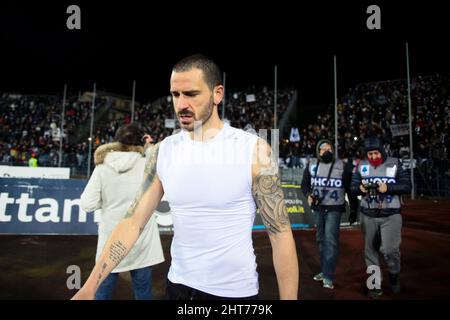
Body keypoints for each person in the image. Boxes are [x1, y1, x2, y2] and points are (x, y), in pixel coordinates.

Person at [73, 54, 299, 300]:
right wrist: (89, 287)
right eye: (175, 94)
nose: (181, 104)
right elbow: (133, 222)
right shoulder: (162, 151)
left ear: (217, 94)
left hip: (233, 294)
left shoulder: (253, 150)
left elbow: (279, 233)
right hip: (177, 286)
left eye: (191, 94)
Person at [80, 124, 164, 300]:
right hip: (141, 241)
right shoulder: (148, 164)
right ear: (141, 140)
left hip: (110, 242)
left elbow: (88, 204)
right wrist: (149, 146)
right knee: (143, 293)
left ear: (117, 141)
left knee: (102, 292)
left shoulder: (102, 167)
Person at [350, 136, 411, 298]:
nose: (373, 157)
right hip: (368, 215)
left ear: (382, 151)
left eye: (376, 153)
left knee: (390, 250)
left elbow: (407, 185)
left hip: (391, 215)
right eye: (370, 154)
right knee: (370, 251)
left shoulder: (394, 163)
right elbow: (353, 187)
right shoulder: (362, 165)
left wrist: (388, 188)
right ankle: (374, 285)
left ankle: (394, 274)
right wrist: (360, 188)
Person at [301, 139, 358, 289]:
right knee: (320, 240)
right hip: (318, 208)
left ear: (333, 150)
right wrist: (308, 194)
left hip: (334, 209)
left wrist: (353, 208)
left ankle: (328, 276)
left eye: (329, 149)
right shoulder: (312, 164)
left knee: (330, 241)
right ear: (318, 152)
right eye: (322, 149)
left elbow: (350, 188)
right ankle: (324, 269)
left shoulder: (342, 166)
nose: (326, 151)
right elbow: (304, 184)